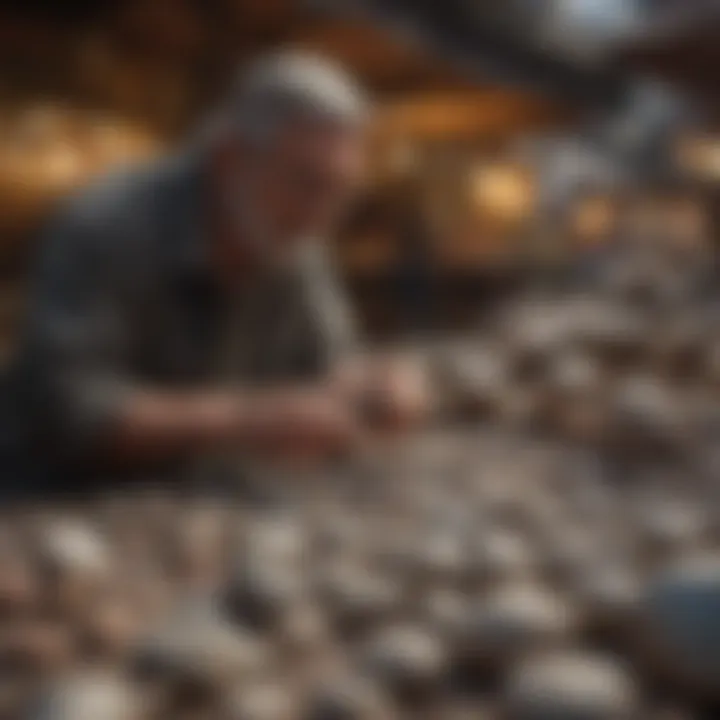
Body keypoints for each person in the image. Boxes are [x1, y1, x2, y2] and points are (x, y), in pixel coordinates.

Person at [1, 52, 429, 496]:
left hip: (182, 498)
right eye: (306, 183)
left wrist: (372, 388)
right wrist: (252, 420)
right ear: (229, 158)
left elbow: (329, 367)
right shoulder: (109, 228)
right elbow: (69, 413)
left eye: (340, 193)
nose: (321, 217)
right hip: (42, 502)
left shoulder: (293, 243)